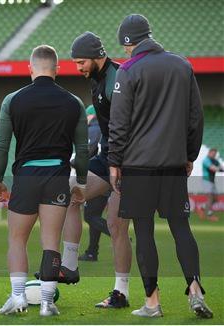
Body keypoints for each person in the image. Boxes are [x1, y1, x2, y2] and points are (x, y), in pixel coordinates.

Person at [109, 14, 212, 318]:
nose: (124, 51)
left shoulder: (127, 71)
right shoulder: (182, 65)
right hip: (173, 164)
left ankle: (152, 303)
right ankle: (194, 288)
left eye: (124, 46)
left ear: (129, 42)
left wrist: (115, 161)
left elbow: (119, 122)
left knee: (144, 232)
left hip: (138, 166)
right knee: (181, 227)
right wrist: (190, 154)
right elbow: (196, 117)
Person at [0, 45, 88, 316]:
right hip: (57, 176)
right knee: (51, 242)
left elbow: (0, 146)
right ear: (57, 69)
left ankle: (18, 298)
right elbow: (82, 150)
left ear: (30, 68)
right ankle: (47, 303)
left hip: (26, 177)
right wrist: (81, 182)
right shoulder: (74, 102)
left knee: (17, 239)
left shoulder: (13, 100)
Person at [61, 31, 132, 308]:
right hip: (107, 159)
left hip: (125, 163)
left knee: (115, 225)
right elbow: (106, 129)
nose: (78, 68)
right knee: (69, 193)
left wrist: (117, 164)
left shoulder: (117, 78)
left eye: (81, 62)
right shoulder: (97, 81)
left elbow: (124, 126)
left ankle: (121, 292)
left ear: (96, 56)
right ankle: (68, 266)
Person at [79, 105, 111, 262]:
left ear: (92, 116)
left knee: (90, 216)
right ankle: (92, 252)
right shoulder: (106, 126)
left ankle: (115, 232)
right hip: (108, 174)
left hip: (97, 175)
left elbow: (89, 150)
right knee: (94, 215)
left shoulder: (94, 127)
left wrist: (74, 163)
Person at [200, 148, 222, 221]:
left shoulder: (215, 161)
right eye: (213, 153)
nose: (214, 155)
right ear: (209, 153)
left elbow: (221, 167)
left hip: (212, 181)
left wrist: (220, 168)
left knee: (215, 199)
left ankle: (203, 208)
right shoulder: (206, 160)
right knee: (210, 198)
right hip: (206, 181)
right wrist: (219, 169)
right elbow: (213, 168)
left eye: (215, 154)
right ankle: (210, 215)